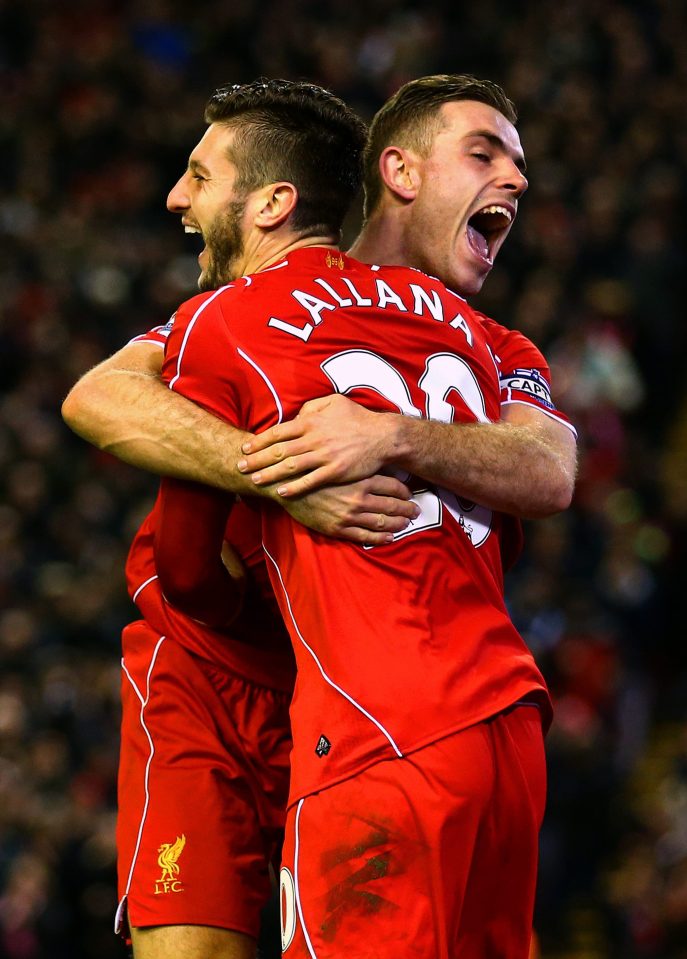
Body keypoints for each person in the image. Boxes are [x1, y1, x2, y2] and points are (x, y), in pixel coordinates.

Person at [61, 75, 576, 958]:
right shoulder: (272, 298)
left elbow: (550, 468)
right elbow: (103, 393)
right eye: (485, 153)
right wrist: (279, 478)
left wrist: (387, 434)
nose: (517, 182)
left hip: (358, 688)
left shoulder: (480, 339)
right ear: (399, 170)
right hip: (224, 670)